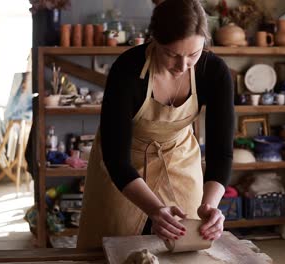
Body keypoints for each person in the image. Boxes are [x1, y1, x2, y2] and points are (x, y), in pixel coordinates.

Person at [77, 0, 234, 250]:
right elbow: (116, 160)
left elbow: (221, 152)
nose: (182, 67)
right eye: (172, 54)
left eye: (193, 54)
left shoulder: (214, 71)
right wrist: (155, 209)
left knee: (187, 243)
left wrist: (211, 207)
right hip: (125, 168)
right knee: (114, 248)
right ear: (154, 41)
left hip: (179, 158)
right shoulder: (127, 69)